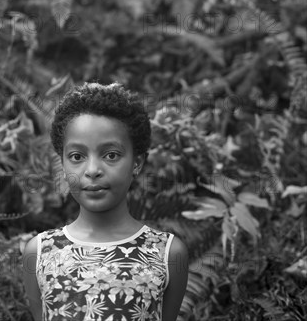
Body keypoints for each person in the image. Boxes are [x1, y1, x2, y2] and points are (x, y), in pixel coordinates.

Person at [23, 82, 188, 321]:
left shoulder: (167, 253)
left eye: (111, 155)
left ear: (137, 163)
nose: (92, 170)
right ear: (63, 162)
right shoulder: (40, 252)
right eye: (77, 156)